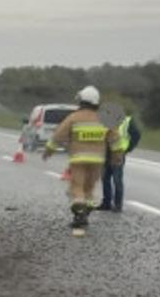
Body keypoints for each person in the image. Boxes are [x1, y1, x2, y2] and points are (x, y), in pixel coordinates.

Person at [44, 86, 118, 236]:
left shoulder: (74, 117)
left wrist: (49, 150)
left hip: (78, 159)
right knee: (89, 188)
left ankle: (80, 211)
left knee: (77, 187)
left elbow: (59, 135)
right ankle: (85, 211)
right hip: (97, 161)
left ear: (81, 101)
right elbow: (115, 139)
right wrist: (117, 156)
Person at [98, 108, 143, 211]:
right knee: (105, 178)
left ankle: (118, 205)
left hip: (118, 153)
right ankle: (106, 203)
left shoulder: (127, 121)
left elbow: (136, 134)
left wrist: (128, 148)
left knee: (117, 179)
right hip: (107, 152)